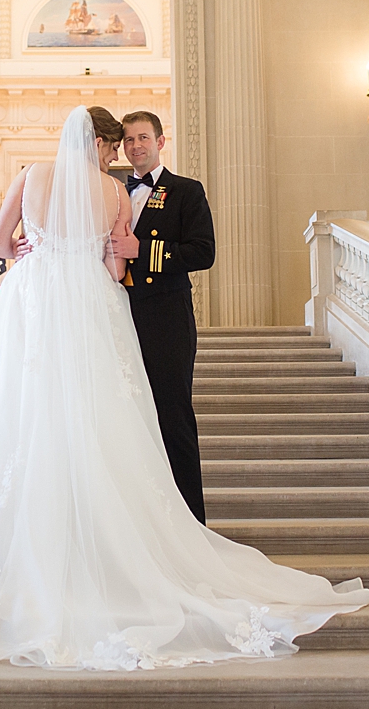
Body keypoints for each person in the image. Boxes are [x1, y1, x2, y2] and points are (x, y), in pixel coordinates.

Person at [0, 105, 369, 671]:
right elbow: (113, 271)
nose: (124, 151)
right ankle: (131, 545)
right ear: (102, 144)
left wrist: (31, 252)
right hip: (91, 308)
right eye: (118, 143)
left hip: (37, 309)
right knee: (103, 424)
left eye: (138, 140)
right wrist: (94, 260)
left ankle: (38, 548)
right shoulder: (113, 194)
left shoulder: (32, 175)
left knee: (32, 418)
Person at [116, 110, 213, 522]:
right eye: (128, 140)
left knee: (173, 418)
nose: (135, 146)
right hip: (119, 318)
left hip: (167, 319)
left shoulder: (186, 191)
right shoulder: (115, 192)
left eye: (143, 138)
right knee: (128, 422)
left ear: (160, 140)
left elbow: (203, 253)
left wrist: (146, 253)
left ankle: (191, 523)